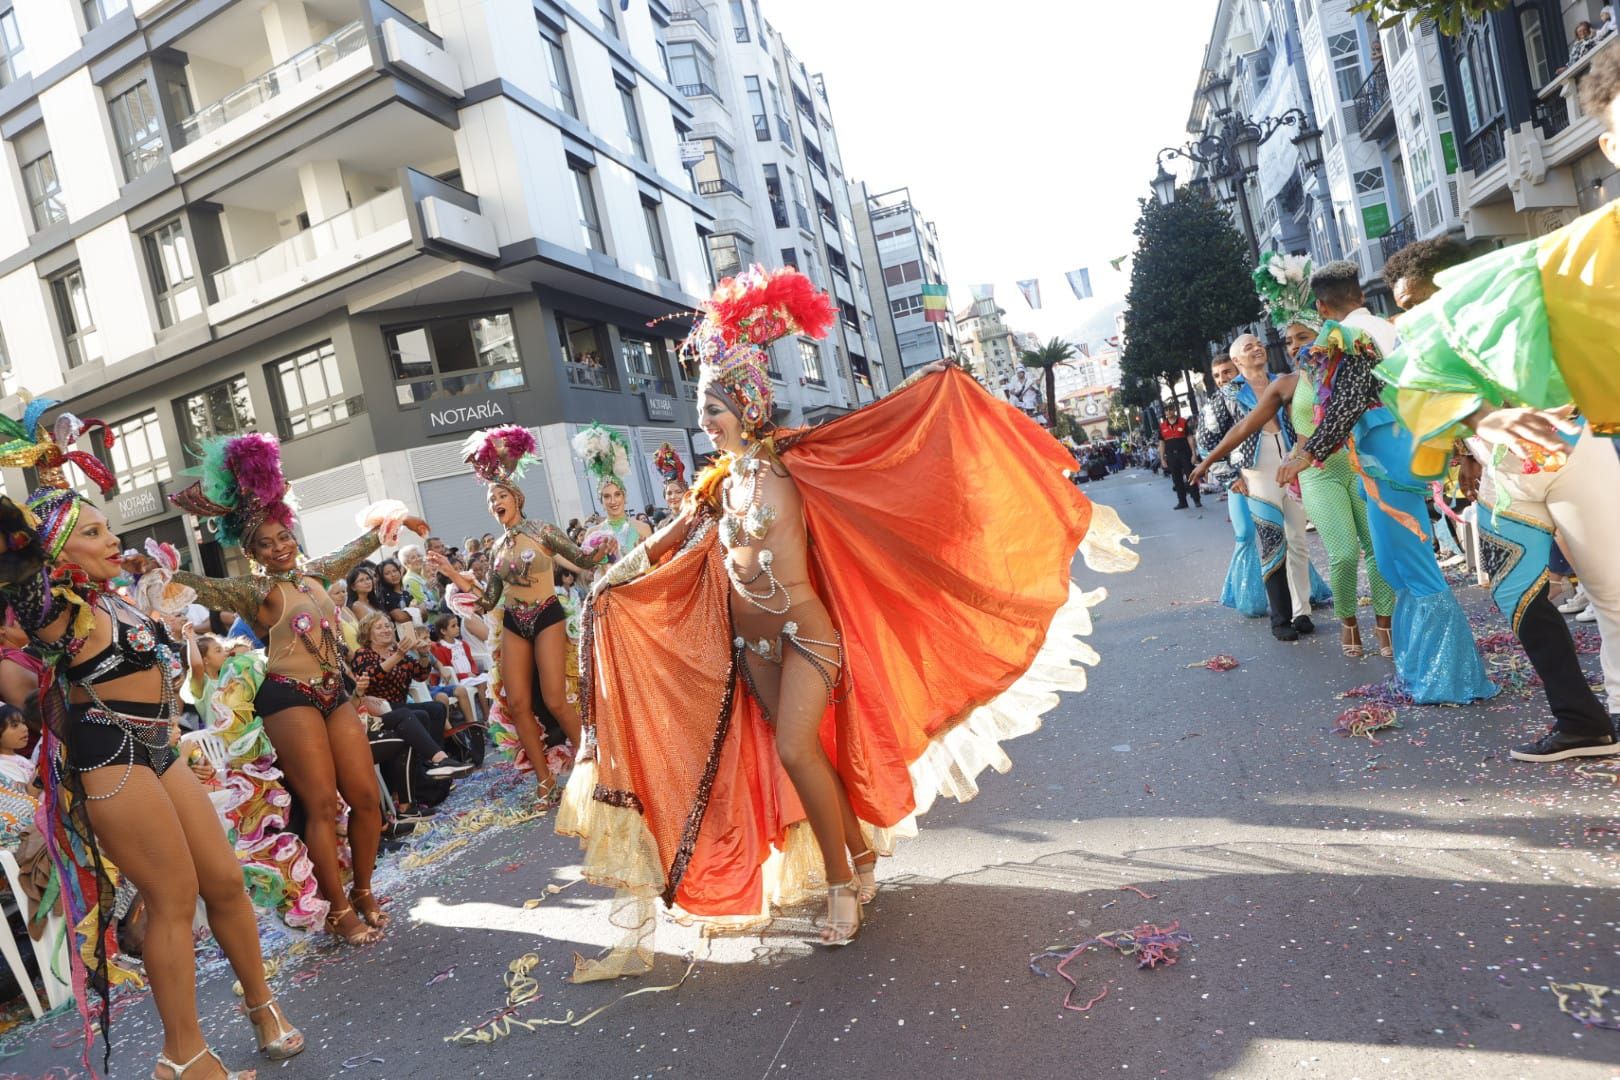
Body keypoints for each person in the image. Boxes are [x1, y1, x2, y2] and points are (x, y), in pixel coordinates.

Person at [559, 266, 1137, 957]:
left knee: (797, 749)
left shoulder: (797, 465)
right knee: (811, 758)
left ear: (747, 405)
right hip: (753, 650)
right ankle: (859, 860)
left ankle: (840, 885)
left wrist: (934, 391)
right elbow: (668, 540)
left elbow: (879, 445)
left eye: (713, 408)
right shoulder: (719, 484)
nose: (704, 422)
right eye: (702, 410)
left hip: (807, 635)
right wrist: (612, 578)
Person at [0, 407, 303, 1077]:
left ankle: (262, 1006)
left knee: (223, 880)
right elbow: (23, 581)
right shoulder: (58, 612)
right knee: (171, 896)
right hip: (110, 756)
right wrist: (21, 529)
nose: (112, 538)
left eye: (109, 526)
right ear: (55, 553)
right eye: (92, 532)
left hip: (163, 748)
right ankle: (183, 1055)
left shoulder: (120, 599)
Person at [1372, 50, 1620, 759]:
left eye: (1421, 300)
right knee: (1525, 597)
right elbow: (1417, 368)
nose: (1416, 313)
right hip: (1538, 458)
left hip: (1581, 450)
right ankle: (1583, 722)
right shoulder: (1554, 260)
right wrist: (1479, 422)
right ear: (1608, 143)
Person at [168, 432, 428, 946]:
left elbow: (359, 546)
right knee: (323, 806)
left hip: (335, 694)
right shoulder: (253, 589)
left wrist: (399, 525)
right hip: (288, 698)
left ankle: (365, 890)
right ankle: (335, 909)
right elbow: (197, 584)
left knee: (364, 798)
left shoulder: (313, 574)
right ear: (251, 552)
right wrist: (159, 573)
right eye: (266, 543)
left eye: (283, 536)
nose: (280, 546)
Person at [1270, 262, 1495, 704]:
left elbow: (1347, 402)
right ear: (1360, 293)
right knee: (1393, 565)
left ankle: (1450, 676)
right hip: (1391, 457)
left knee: (1412, 566)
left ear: (1322, 306)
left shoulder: (1349, 337)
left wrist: (1305, 454)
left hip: (1386, 459)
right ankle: (1419, 667)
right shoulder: (1391, 330)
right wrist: (1463, 452)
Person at [1193, 252, 1398, 659]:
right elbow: (1242, 428)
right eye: (1288, 341)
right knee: (1341, 554)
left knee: (1376, 550)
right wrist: (1206, 461)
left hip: (1360, 467)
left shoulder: (1350, 365)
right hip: (1319, 474)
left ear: (1323, 331)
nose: (1293, 347)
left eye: (1302, 338)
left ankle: (1384, 625)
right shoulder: (1286, 384)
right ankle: (1348, 621)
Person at [429, 427, 613, 802]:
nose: (495, 501)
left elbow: (580, 559)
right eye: (490, 498)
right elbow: (488, 600)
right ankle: (545, 782)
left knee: (556, 699)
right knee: (517, 705)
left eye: (500, 494)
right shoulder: (496, 549)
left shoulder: (541, 529)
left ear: (516, 498)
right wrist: (452, 574)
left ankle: (596, 770)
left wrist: (603, 547)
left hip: (547, 615)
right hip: (514, 622)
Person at [350, 614, 473, 783]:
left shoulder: (396, 652)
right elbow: (374, 676)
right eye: (379, 627)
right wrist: (398, 656)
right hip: (378, 709)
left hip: (399, 704)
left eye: (387, 626)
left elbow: (420, 675)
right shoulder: (362, 654)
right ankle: (435, 760)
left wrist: (423, 655)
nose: (386, 629)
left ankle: (435, 763)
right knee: (418, 713)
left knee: (437, 708)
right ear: (367, 634)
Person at [1159, 405, 1200, 509]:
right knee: (1176, 479)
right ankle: (1182, 502)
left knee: (1191, 476)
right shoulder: (1162, 426)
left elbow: (1190, 438)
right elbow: (1162, 443)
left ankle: (1196, 499)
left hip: (1185, 453)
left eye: (1170, 409)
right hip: (1171, 455)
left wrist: (1194, 454)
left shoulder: (1183, 422)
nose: (1168, 412)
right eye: (1166, 410)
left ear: (1174, 410)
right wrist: (1162, 458)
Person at [399, 545, 441, 613]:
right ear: (406, 563)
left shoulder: (422, 575)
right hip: (429, 620)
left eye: (419, 555)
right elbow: (425, 603)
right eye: (413, 558)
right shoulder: (410, 580)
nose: (418, 559)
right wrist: (444, 605)